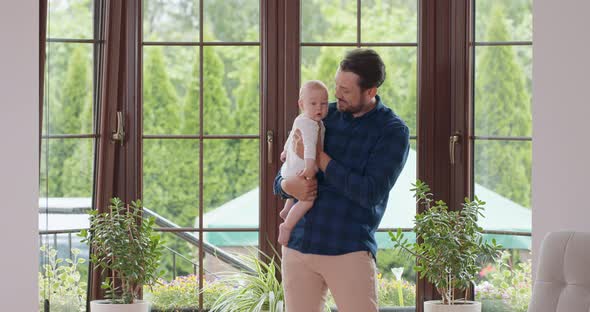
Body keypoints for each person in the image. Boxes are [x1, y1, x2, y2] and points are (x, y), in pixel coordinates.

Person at [274, 48, 410, 312]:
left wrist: (321, 158)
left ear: (370, 91)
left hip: (348, 250)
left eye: (346, 90)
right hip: (299, 247)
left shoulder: (392, 131)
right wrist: (285, 185)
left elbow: (370, 192)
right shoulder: (320, 116)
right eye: (337, 85)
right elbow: (288, 167)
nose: (336, 95)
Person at [278, 80, 329, 246]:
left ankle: (286, 209)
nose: (319, 108)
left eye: (324, 103)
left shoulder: (301, 119)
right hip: (301, 168)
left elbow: (291, 135)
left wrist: (285, 150)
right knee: (307, 200)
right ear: (301, 104)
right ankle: (286, 226)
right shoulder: (311, 125)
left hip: (290, 168)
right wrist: (309, 167)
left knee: (296, 191)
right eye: (313, 103)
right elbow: (309, 147)